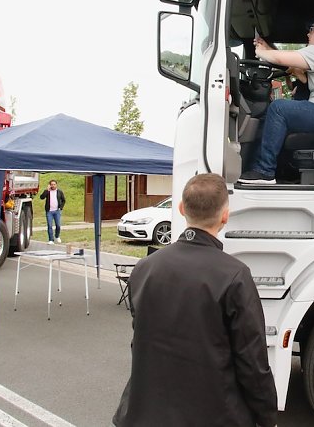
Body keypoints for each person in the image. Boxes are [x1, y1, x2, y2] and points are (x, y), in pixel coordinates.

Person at [112, 173, 278, 427]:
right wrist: (267, 417)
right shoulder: (234, 275)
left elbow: (142, 341)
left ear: (180, 209)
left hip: (144, 413)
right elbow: (252, 361)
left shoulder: (145, 268)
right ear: (225, 215)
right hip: (214, 415)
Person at [237, 16, 314, 185]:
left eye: (311, 30)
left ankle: (264, 171)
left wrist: (261, 52)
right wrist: (267, 48)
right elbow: (285, 61)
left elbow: (281, 58)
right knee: (274, 114)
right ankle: (263, 168)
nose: (308, 35)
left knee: (278, 108)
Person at [38, 179, 65, 245]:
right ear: (50, 185)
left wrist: (60, 208)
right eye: (51, 184)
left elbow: (63, 200)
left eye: (54, 184)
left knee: (58, 225)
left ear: (56, 185)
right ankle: (51, 239)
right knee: (49, 225)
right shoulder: (47, 192)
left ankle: (57, 236)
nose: (53, 186)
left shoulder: (59, 192)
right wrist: (47, 190)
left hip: (57, 211)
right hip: (49, 211)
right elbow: (41, 197)